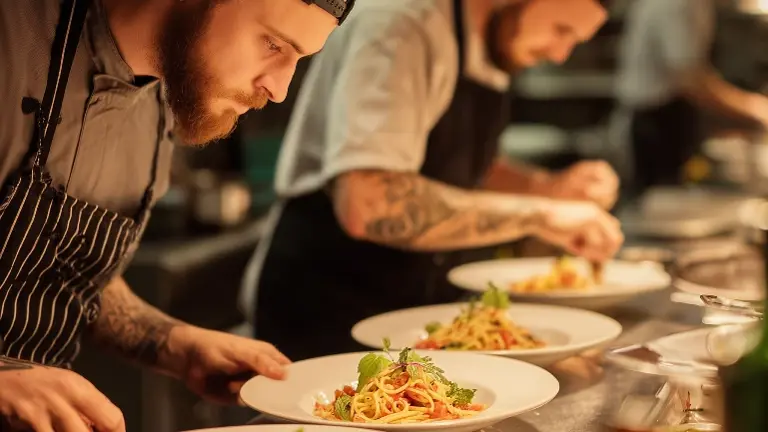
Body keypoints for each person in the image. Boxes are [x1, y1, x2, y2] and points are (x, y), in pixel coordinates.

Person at [0, 0, 354, 430]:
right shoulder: (12, 37)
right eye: (273, 44)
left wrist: (171, 342)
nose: (279, 89)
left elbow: (58, 266)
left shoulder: (160, 100)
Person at [240, 0, 624, 363]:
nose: (560, 54)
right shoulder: (400, 25)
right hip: (328, 306)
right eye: (561, 30)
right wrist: (542, 215)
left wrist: (550, 188)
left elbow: (452, 165)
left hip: (414, 306)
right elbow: (370, 203)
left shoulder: (492, 38)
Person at [615, 0, 768, 193]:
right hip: (656, 121)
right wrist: (754, 108)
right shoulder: (678, 4)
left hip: (669, 114)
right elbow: (689, 79)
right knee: (662, 198)